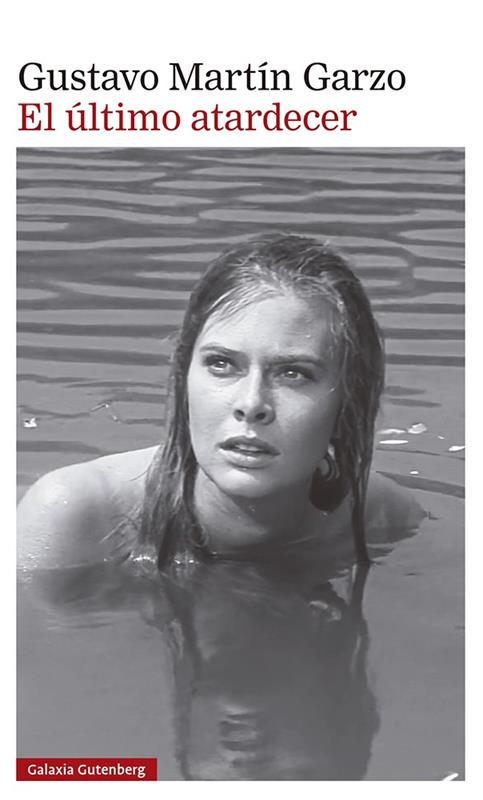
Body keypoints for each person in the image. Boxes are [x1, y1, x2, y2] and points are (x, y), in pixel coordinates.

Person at [17, 233, 424, 576]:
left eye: (293, 373)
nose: (252, 404)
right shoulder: (74, 517)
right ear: (183, 376)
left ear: (348, 400)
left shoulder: (383, 520)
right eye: (222, 364)